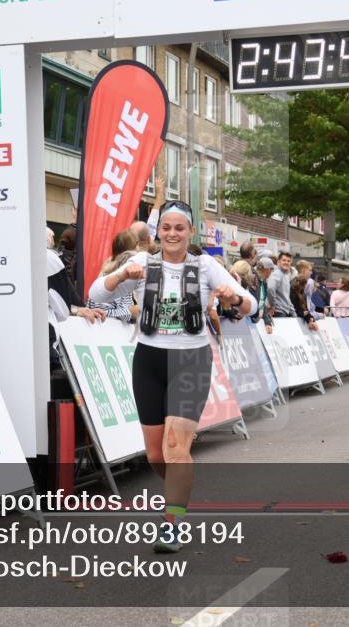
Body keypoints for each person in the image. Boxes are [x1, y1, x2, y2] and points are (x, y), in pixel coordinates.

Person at [89, 199, 254, 554]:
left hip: (191, 361)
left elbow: (248, 304)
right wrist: (120, 276)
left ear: (190, 231)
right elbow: (95, 295)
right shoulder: (141, 262)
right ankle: (180, 489)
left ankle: (172, 523)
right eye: (166, 228)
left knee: (176, 449)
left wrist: (233, 298)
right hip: (149, 359)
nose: (172, 234)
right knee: (155, 456)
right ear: (157, 232)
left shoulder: (206, 265)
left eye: (180, 228)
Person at [88, 230, 139, 321]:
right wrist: (132, 311)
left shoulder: (124, 276)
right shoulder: (111, 277)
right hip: (106, 332)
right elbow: (99, 312)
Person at [267, 251, 295, 317]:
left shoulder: (286, 275)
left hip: (284, 311)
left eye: (288, 261)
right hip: (278, 311)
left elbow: (286, 297)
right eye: (284, 260)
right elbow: (270, 288)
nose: (286, 262)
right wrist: (273, 305)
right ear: (278, 261)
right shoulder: (277, 273)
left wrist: (293, 312)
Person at [251, 257, 275, 334]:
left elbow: (262, 304)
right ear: (268, 270)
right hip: (250, 321)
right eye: (271, 269)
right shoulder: (254, 281)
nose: (271, 272)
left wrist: (267, 321)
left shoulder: (263, 283)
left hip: (257, 322)